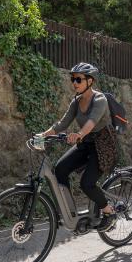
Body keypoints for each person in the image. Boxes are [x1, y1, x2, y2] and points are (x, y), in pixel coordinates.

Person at [40, 62, 116, 232]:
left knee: (87, 183)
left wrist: (79, 134)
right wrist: (43, 135)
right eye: (73, 79)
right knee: (60, 169)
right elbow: (62, 123)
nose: (74, 83)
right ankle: (69, 211)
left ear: (90, 81)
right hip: (86, 143)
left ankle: (108, 212)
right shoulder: (76, 101)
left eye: (78, 79)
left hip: (103, 145)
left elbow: (91, 122)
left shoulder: (100, 99)